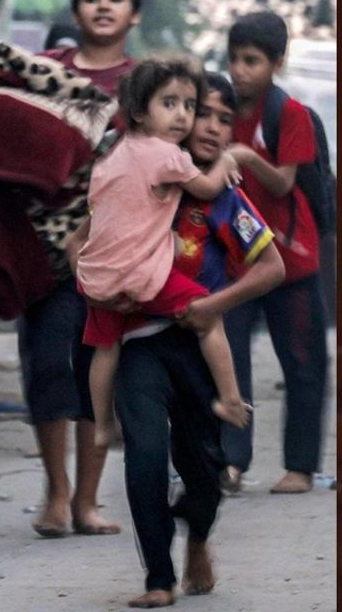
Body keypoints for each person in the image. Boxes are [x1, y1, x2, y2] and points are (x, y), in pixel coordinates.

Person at [95, 72, 284, 608]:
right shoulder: (140, 175)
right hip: (141, 346)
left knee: (203, 469)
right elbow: (82, 245)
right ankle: (158, 578)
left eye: (226, 120)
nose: (211, 127)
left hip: (200, 346)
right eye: (203, 113)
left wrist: (212, 306)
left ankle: (198, 536)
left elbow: (271, 268)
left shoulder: (223, 199)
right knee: (146, 456)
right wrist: (111, 289)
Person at [21, 0, 142, 539]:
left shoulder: (145, 84)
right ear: (75, 11)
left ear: (134, 13)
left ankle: (87, 501)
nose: (102, 4)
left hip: (115, 252)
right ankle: (56, 492)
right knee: (46, 366)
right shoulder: (43, 71)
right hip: (43, 249)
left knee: (98, 372)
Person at [75, 57, 249, 448]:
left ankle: (102, 425)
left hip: (98, 277)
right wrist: (226, 159)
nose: (183, 117)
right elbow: (206, 188)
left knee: (105, 348)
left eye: (189, 106)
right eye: (169, 104)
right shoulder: (166, 155)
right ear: (138, 111)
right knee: (208, 317)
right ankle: (230, 397)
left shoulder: (113, 155)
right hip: (140, 276)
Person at [221, 11, 331, 495]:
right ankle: (232, 461)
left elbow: (285, 180)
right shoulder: (218, 113)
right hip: (235, 263)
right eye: (235, 59)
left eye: (253, 60)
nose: (241, 70)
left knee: (305, 365)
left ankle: (300, 467)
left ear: (276, 63)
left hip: (291, 260)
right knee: (227, 365)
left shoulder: (290, 115)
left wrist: (245, 157)